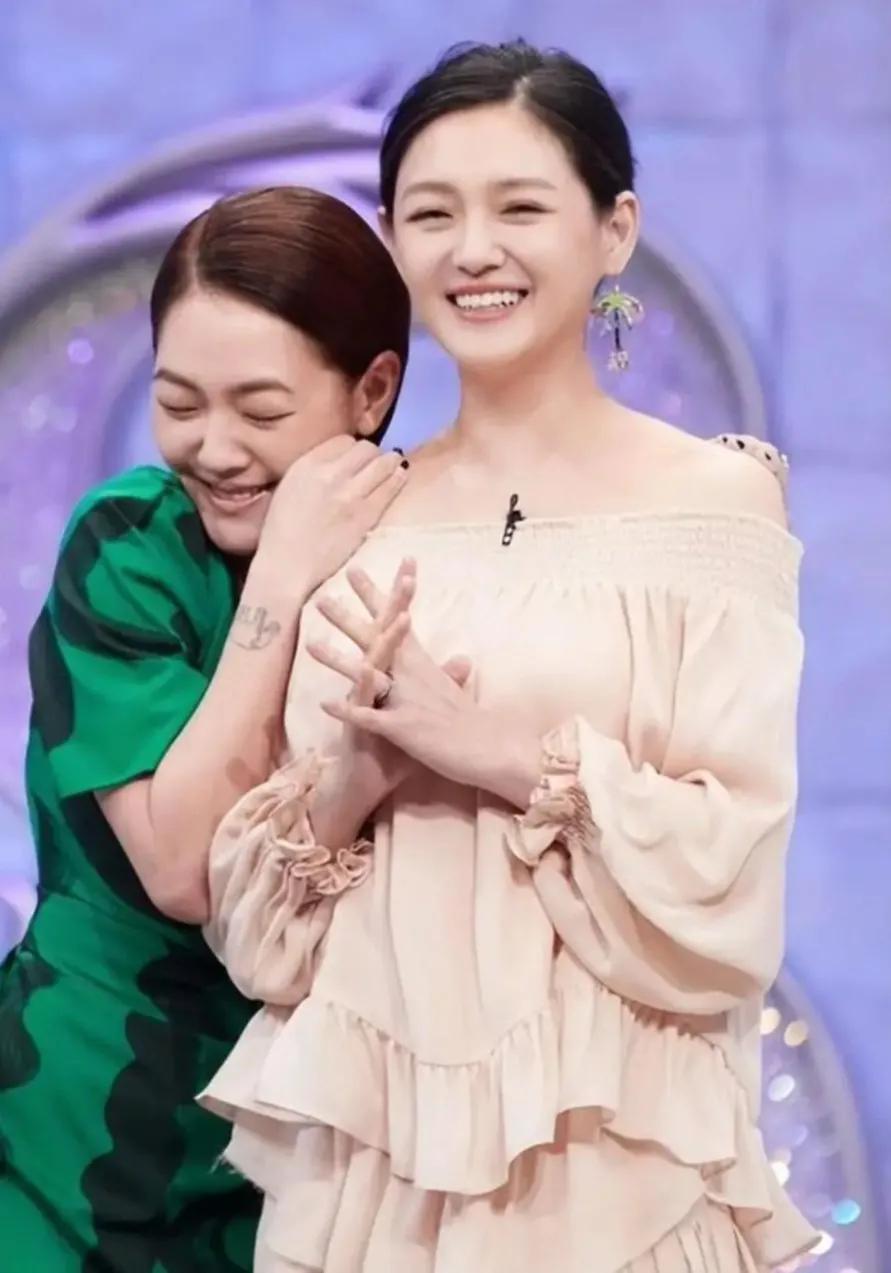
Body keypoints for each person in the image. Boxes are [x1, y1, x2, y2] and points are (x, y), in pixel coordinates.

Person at [200, 44, 818, 1273]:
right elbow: (261, 939)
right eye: (433, 215)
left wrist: (505, 756)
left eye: (520, 208)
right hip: (375, 1192)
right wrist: (353, 783)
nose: (474, 250)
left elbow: (732, 871)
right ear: (394, 241)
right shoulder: (352, 509)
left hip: (621, 1172)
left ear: (614, 229)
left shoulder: (717, 501)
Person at [0, 186, 414, 1272]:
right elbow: (185, 867)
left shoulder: (429, 555)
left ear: (372, 390)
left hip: (306, 1161)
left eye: (261, 413)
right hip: (72, 1136)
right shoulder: (131, 543)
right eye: (178, 402)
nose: (214, 448)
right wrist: (280, 576)